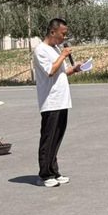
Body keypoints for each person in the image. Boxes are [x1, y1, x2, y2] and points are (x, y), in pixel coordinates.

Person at [34, 18, 83, 187]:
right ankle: (44, 175)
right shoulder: (41, 50)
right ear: (52, 32)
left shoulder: (55, 49)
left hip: (62, 100)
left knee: (57, 138)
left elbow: (61, 71)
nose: (64, 37)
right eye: (63, 34)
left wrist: (75, 69)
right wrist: (63, 55)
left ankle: (54, 171)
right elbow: (50, 71)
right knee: (48, 138)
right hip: (51, 101)